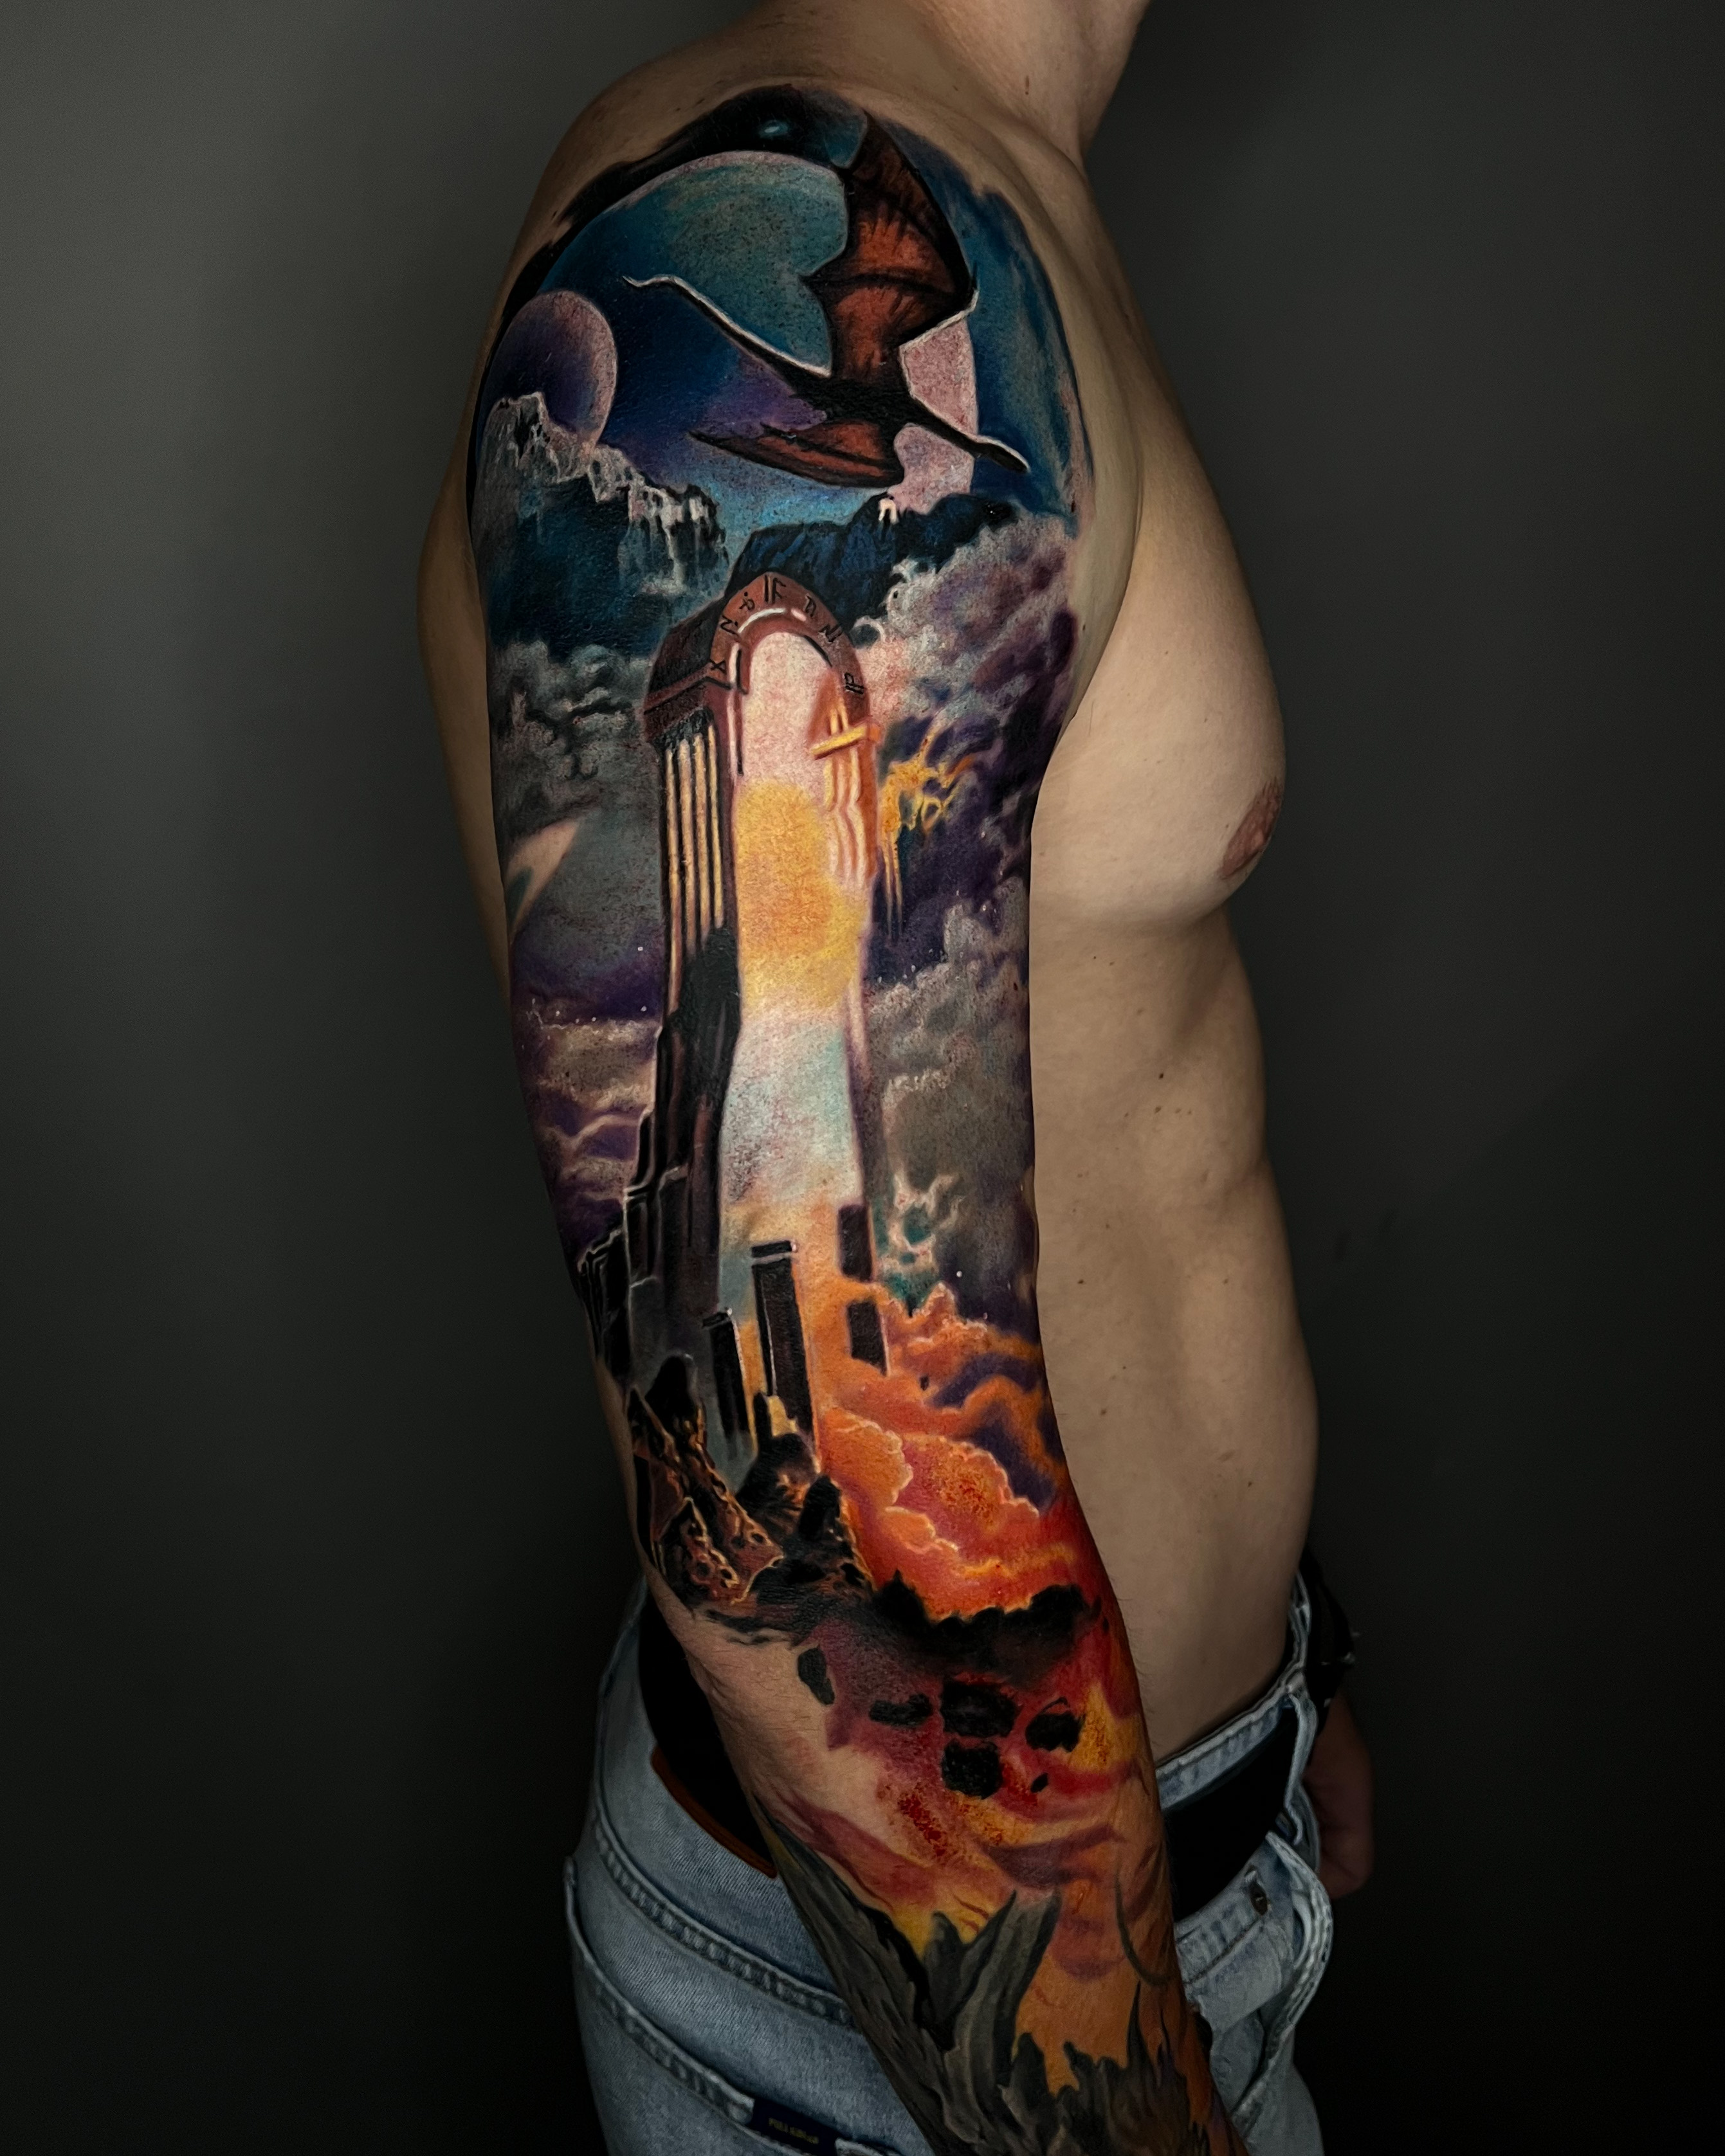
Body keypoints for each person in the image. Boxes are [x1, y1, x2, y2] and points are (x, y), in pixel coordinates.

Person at [419, 3, 1373, 2148]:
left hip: (1138, 1855)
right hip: (947, 2015)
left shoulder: (979, 190)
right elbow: (816, 1533)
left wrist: (1267, 1677)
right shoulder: (822, 200)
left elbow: (1109, 1102)